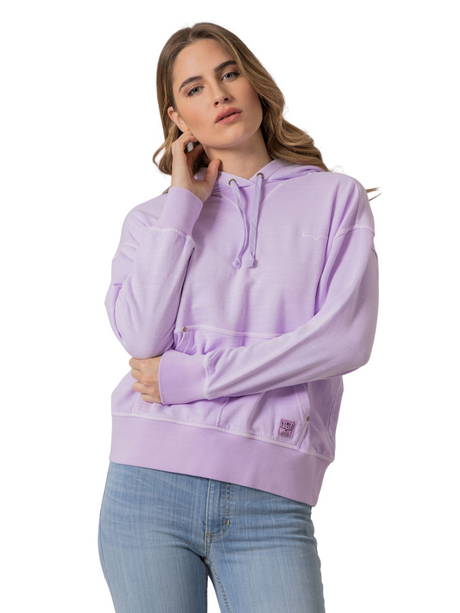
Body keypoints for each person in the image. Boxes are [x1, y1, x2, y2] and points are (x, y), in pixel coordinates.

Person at [97, 21, 380, 613]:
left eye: (229, 74)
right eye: (195, 88)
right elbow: (142, 336)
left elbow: (344, 340)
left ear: (254, 82)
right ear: (177, 117)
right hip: (146, 487)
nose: (220, 94)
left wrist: (193, 377)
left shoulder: (335, 198)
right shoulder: (151, 221)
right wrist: (184, 204)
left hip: (271, 501)